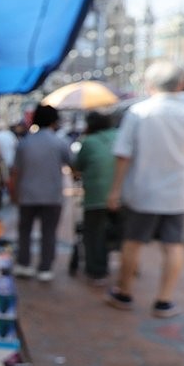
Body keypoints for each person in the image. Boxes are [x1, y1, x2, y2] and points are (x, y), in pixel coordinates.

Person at [106, 60, 184, 317]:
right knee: (173, 245)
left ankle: (124, 293)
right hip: (180, 193)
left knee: (133, 241)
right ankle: (164, 300)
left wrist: (115, 190)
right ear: (182, 84)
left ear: (149, 84)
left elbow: (123, 155)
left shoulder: (139, 112)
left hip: (142, 190)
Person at [10, 105, 70, 282]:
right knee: (49, 233)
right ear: (55, 121)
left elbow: (15, 172)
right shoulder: (60, 142)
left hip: (27, 194)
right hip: (52, 196)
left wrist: (14, 193)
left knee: (24, 231)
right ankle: (45, 267)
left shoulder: (25, 143)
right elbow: (72, 165)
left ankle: (24, 264)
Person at [72, 110, 119, 284]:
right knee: (123, 233)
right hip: (123, 194)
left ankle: (97, 271)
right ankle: (129, 263)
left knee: (93, 234)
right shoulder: (120, 136)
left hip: (97, 196)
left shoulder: (89, 141)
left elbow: (77, 167)